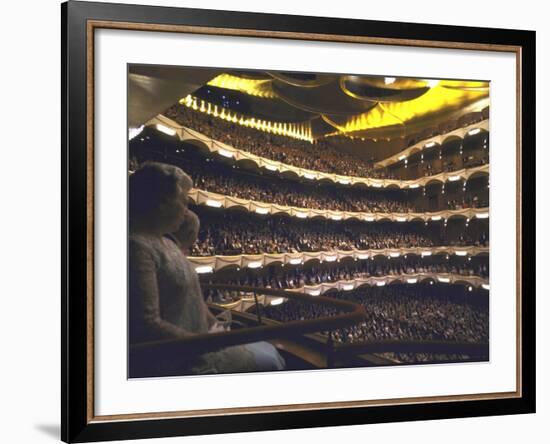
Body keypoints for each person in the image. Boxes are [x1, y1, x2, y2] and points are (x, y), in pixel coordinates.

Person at [128, 161, 284, 377]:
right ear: (161, 202)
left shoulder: (168, 243)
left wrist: (215, 325)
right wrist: (206, 343)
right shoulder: (136, 246)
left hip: (202, 341)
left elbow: (194, 298)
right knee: (272, 358)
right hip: (184, 358)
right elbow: (146, 325)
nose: (186, 211)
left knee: (268, 349)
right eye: (183, 202)